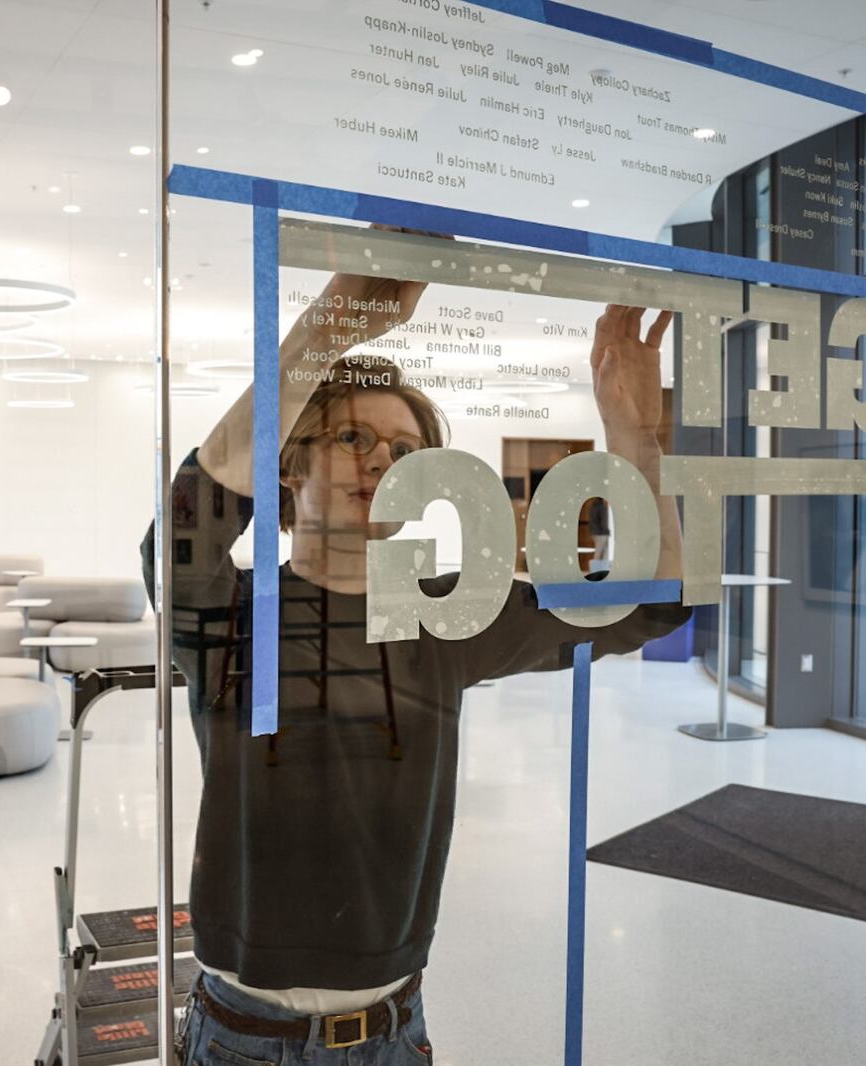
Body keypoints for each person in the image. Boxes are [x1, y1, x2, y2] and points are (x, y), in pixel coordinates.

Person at [145, 261, 689, 1065]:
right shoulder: (228, 610)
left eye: (403, 449)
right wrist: (326, 333)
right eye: (351, 437)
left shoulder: (447, 613)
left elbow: (650, 601)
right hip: (246, 1039)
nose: (378, 461)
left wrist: (639, 443)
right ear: (287, 467)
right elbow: (184, 531)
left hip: (397, 1032)